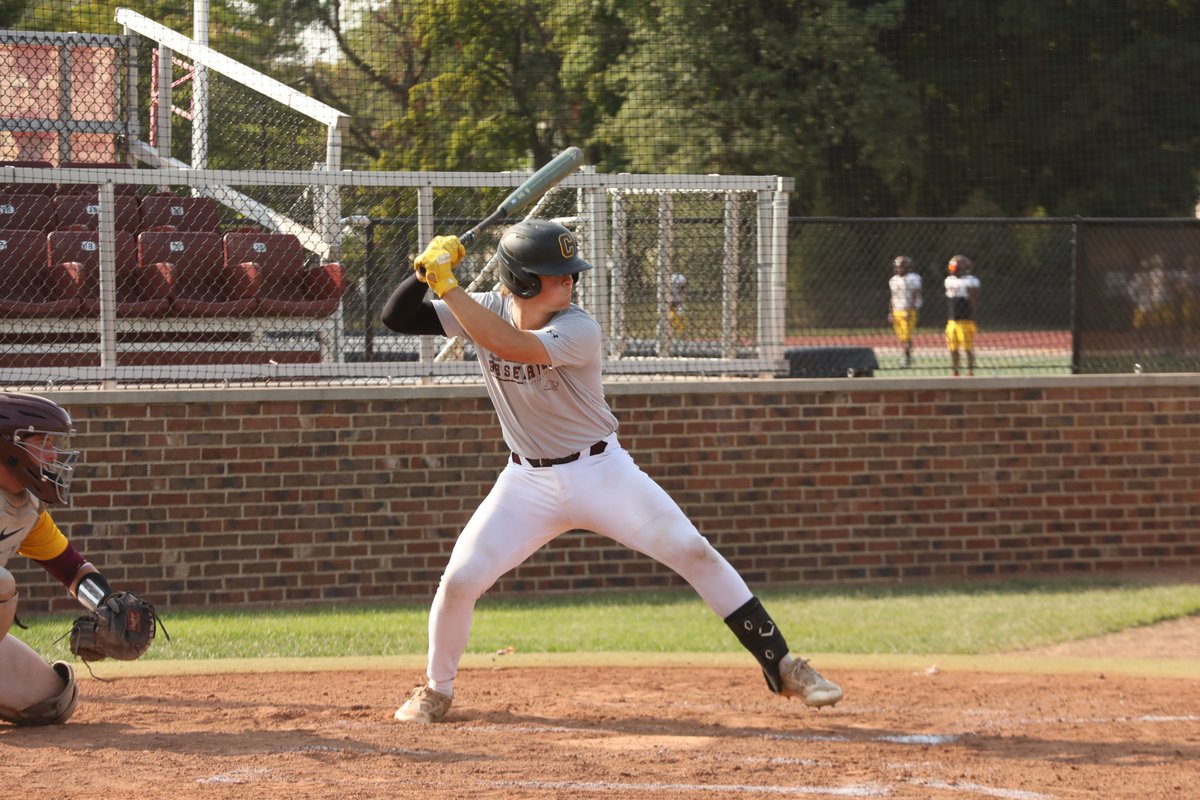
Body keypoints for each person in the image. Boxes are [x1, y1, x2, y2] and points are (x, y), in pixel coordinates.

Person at [380, 219, 843, 724]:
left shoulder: (579, 327)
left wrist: (449, 286)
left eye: (570, 273)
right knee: (460, 580)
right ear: (525, 281)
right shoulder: (487, 306)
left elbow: (510, 345)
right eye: (557, 275)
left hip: (601, 471)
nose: (570, 282)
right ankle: (436, 690)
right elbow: (398, 317)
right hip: (525, 483)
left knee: (694, 550)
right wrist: (424, 274)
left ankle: (785, 665)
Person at [0, 392, 138, 725]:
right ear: (7, 447)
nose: (53, 454)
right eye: (43, 442)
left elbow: (72, 568)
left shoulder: (25, 508)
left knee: (54, 699)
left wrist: (106, 607)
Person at [943, 255, 981, 376]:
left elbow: (972, 300)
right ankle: (955, 369)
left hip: (965, 320)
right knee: (952, 347)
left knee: (967, 347)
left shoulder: (970, 280)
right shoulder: (949, 280)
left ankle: (970, 369)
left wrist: (974, 317)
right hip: (952, 320)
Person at [887, 256, 922, 367]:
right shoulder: (893, 280)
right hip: (897, 310)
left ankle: (907, 358)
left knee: (906, 336)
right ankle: (907, 355)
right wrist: (891, 312)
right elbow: (893, 297)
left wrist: (910, 309)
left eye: (901, 266)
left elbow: (915, 294)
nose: (899, 269)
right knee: (901, 336)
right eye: (897, 267)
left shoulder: (913, 278)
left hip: (908, 311)